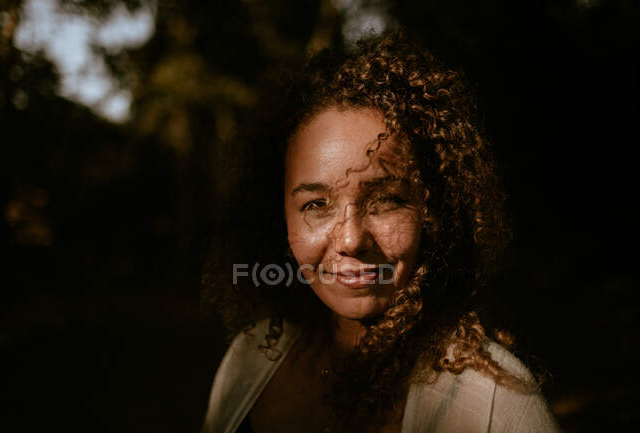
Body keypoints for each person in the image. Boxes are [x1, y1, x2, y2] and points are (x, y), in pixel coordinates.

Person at [201, 33, 562, 433]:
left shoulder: (494, 405)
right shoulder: (249, 361)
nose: (352, 239)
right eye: (316, 205)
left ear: (434, 208)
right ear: (278, 217)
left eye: (386, 200)